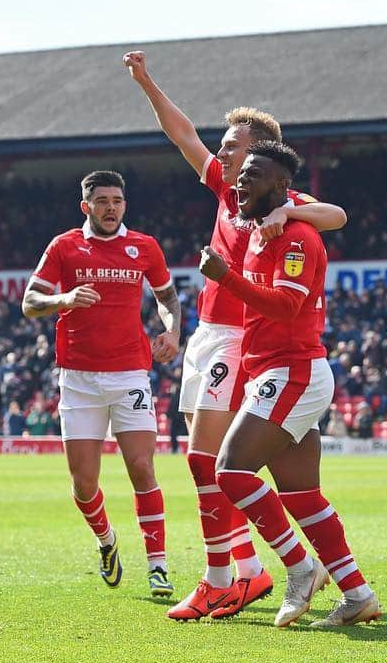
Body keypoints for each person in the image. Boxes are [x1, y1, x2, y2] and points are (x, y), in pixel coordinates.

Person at [124, 50, 348, 621]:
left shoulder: (280, 201)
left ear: (263, 157)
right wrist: (148, 84)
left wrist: (291, 216)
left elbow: (336, 214)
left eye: (232, 144)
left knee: (212, 462)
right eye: (222, 144)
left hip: (240, 336)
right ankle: (246, 568)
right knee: (222, 466)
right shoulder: (231, 192)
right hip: (212, 333)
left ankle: (228, 576)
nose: (220, 150)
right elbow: (182, 136)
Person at [198, 141, 379, 628]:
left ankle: (299, 568)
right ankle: (357, 593)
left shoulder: (296, 235)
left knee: (231, 472)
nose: (241, 181)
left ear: (282, 187)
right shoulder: (261, 228)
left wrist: (226, 278)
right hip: (278, 370)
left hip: (293, 371)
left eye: (253, 175)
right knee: (301, 495)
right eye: (240, 174)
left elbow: (286, 306)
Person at [21, 170, 182, 598]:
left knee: (142, 467)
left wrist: (172, 331)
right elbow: (29, 301)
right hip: (78, 379)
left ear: (125, 205)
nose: (111, 207)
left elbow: (168, 297)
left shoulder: (144, 247)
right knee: (84, 483)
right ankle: (107, 541)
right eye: (102, 200)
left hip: (130, 372)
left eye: (118, 200)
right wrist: (65, 299)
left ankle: (159, 565)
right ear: (86, 206)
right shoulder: (64, 246)